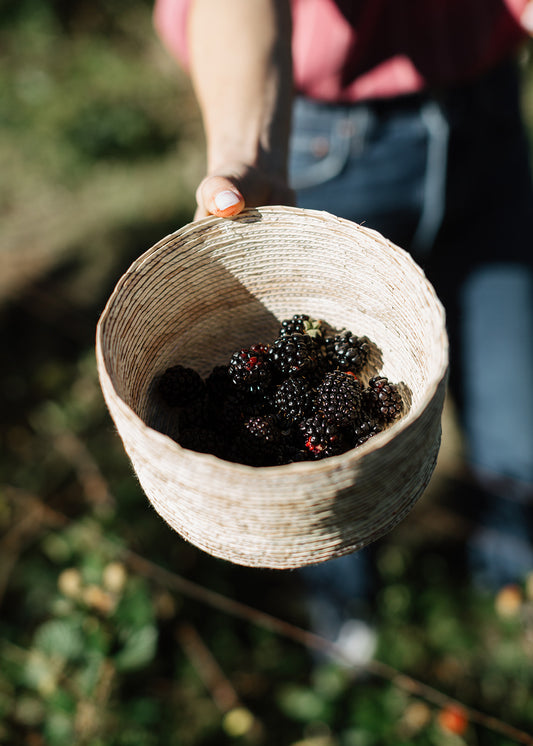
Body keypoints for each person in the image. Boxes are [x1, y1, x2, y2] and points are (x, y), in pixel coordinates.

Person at [153, 0, 533, 663]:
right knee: (318, 481)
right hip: (321, 140)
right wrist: (249, 155)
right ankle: (341, 608)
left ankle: (511, 591)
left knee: (520, 419)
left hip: (489, 117)